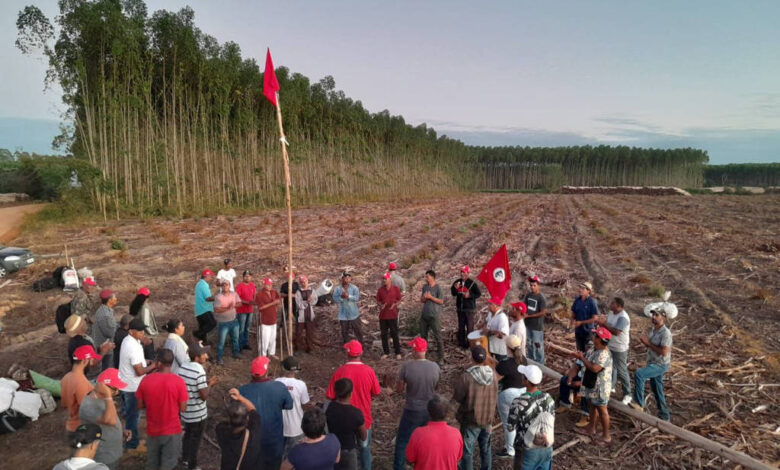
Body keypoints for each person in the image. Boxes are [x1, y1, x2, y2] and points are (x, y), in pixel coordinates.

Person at [326, 341, 381, 470]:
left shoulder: (340, 372)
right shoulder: (369, 371)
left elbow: (329, 395)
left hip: (342, 420)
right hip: (364, 419)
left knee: (343, 451)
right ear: (361, 353)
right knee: (364, 449)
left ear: (347, 354)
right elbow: (377, 392)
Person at [238, 356, 294, 470]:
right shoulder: (279, 387)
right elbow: (289, 405)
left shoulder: (242, 391)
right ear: (266, 371)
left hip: (251, 443)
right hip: (274, 442)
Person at [392, 337, 440, 470]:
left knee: (402, 440)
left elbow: (399, 389)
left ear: (414, 350)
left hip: (412, 409)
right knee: (426, 440)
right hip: (430, 410)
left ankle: (399, 466)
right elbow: (436, 388)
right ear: (425, 350)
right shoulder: (435, 367)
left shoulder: (407, 367)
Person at [137, 348, 189, 470]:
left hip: (153, 430)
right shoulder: (179, 382)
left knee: (152, 462)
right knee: (169, 464)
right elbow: (183, 408)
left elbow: (139, 406)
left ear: (158, 363)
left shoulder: (146, 380)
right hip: (172, 431)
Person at [453, 346, 497, 470]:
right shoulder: (493, 376)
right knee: (486, 448)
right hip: (488, 419)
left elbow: (457, 398)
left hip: (471, 420)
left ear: (472, 357)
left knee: (467, 451)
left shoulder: (466, 377)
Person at [118, 318, 158, 450]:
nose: (143, 334)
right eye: (140, 332)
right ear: (131, 331)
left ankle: (131, 441)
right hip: (132, 387)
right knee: (133, 418)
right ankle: (132, 444)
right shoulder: (132, 346)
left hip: (126, 382)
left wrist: (146, 361)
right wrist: (154, 366)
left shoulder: (128, 340)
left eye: (143, 331)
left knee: (130, 413)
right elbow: (140, 371)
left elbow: (137, 362)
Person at [506, 365, 555, 470]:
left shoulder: (518, 402)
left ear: (527, 381)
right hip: (546, 447)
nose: (521, 377)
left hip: (527, 449)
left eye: (523, 376)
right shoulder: (549, 399)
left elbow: (510, 427)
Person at [629, 304, 673, 421]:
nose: (653, 317)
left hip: (660, 364)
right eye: (653, 314)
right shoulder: (653, 330)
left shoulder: (666, 333)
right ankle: (664, 415)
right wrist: (644, 343)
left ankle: (639, 404)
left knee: (639, 374)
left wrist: (648, 343)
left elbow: (664, 352)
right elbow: (651, 346)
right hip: (652, 362)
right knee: (657, 388)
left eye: (656, 315)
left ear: (663, 317)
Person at [79, 368, 127, 470]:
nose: (117, 392)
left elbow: (111, 418)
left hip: (112, 450)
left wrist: (121, 430)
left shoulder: (102, 399)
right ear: (104, 387)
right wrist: (108, 396)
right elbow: (110, 421)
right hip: (104, 455)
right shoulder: (88, 406)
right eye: (115, 389)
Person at [178, 342, 216, 470]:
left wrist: (205, 383)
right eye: (203, 354)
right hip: (198, 414)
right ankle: (192, 466)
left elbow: (190, 385)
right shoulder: (199, 370)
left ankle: (184, 458)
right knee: (196, 440)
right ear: (196, 357)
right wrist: (210, 384)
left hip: (186, 411)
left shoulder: (183, 366)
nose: (206, 356)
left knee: (188, 435)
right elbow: (203, 396)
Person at [574, 327, 613, 445]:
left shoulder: (604, 354)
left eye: (596, 336)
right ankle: (591, 428)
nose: (593, 338)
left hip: (600, 387)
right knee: (592, 406)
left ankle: (606, 436)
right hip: (591, 384)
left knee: (602, 410)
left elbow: (595, 368)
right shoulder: (593, 349)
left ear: (601, 340)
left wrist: (582, 358)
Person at [405, 395, 463, 470]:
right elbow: (458, 457)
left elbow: (410, 459)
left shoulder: (418, 433)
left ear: (428, 412)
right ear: (446, 413)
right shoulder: (456, 434)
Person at [495, 335, 527, 459]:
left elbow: (496, 378)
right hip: (523, 392)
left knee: (509, 423)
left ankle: (510, 449)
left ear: (508, 348)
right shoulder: (523, 359)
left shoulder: (504, 364)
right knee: (520, 420)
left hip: (508, 394)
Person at [217, 388, 263, 470]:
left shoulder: (221, 432)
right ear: (247, 419)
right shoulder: (254, 435)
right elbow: (252, 409)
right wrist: (240, 397)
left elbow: (222, 422)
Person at [326, 378, 367, 470]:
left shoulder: (329, 407)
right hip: (348, 450)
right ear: (351, 394)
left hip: (332, 448)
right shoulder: (356, 413)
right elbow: (364, 436)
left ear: (335, 392)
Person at [597, 297, 632, 403]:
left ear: (619, 306)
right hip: (611, 345)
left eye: (613, 303)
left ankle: (628, 393)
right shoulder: (612, 313)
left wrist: (603, 325)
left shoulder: (623, 318)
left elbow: (616, 332)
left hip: (620, 347)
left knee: (621, 370)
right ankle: (612, 386)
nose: (610, 305)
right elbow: (607, 322)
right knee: (611, 367)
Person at [276, 357, 311, 456]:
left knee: (279, 458)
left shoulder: (276, 382)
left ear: (283, 368)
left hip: (279, 427)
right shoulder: (301, 384)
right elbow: (305, 404)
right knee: (295, 459)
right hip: (296, 427)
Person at [61, 345, 100, 431]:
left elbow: (64, 404)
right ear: (85, 361)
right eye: (92, 360)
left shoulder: (65, 378)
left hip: (71, 425)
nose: (93, 363)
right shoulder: (81, 383)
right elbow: (89, 410)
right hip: (83, 428)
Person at [451, 265, 481, 349]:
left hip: (469, 309)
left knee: (470, 327)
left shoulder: (472, 283)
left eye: (464, 272)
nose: (462, 273)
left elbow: (478, 294)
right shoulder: (457, 282)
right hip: (460, 309)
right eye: (461, 272)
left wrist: (470, 295)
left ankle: (470, 345)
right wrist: (455, 289)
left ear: (468, 273)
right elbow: (453, 293)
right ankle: (461, 344)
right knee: (461, 327)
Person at [214, 280, 242, 364]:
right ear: (221, 287)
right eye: (223, 285)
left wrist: (234, 305)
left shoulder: (234, 294)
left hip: (234, 320)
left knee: (235, 339)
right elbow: (216, 310)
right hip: (223, 323)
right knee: (221, 341)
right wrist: (228, 308)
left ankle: (235, 353)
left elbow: (240, 304)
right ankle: (219, 358)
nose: (225, 287)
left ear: (229, 286)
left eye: (226, 285)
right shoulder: (218, 297)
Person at [419, 270, 445, 364]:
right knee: (423, 336)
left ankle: (441, 357)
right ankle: (423, 356)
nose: (426, 278)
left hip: (434, 316)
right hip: (424, 315)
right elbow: (421, 300)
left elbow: (441, 301)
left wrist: (431, 297)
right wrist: (424, 298)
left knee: (438, 336)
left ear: (432, 277)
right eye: (425, 277)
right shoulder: (425, 287)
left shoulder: (438, 288)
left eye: (427, 277)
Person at [376, 272, 402, 359]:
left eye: (385, 279)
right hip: (383, 316)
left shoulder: (396, 289)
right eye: (383, 279)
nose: (384, 280)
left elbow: (399, 299)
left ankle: (398, 352)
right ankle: (386, 352)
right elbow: (378, 301)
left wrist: (394, 304)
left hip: (392, 315)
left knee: (394, 334)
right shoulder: (380, 290)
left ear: (389, 279)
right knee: (384, 335)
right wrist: (381, 305)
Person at [333, 272, 363, 345]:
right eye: (346, 278)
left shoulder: (354, 288)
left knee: (357, 329)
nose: (347, 279)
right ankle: (346, 345)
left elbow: (356, 298)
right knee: (344, 331)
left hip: (353, 313)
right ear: (342, 279)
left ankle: (360, 344)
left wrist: (348, 296)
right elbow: (335, 298)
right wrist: (341, 298)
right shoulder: (337, 289)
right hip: (343, 314)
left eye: (349, 278)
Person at [92, 290, 118, 371]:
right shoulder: (105, 315)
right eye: (115, 297)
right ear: (109, 300)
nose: (116, 299)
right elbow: (110, 333)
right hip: (105, 348)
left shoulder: (104, 310)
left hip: (103, 346)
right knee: (107, 371)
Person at [523, 276, 547, 364]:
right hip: (528, 324)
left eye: (534, 285)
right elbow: (524, 306)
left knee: (538, 344)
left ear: (538, 286)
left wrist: (529, 315)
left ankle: (540, 363)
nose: (532, 287)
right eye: (531, 285)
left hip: (537, 326)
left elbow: (543, 312)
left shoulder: (541, 298)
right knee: (529, 343)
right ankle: (531, 360)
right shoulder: (528, 295)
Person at [256, 277, 281, 357]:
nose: (270, 286)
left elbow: (279, 300)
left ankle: (271, 353)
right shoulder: (259, 295)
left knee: (272, 338)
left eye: (271, 284)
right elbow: (260, 307)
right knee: (264, 340)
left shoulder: (274, 292)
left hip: (273, 319)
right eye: (268, 285)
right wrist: (273, 303)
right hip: (264, 321)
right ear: (264, 285)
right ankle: (262, 355)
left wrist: (278, 302)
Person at [571, 281, 599, 352]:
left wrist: (581, 322)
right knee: (579, 349)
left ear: (588, 291)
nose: (580, 290)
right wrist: (572, 320)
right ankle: (580, 362)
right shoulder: (577, 300)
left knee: (588, 351)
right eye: (580, 288)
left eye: (583, 289)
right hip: (578, 330)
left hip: (588, 331)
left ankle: (586, 362)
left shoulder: (592, 302)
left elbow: (595, 318)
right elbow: (573, 312)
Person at [294, 275, 319, 353]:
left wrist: (311, 301)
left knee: (310, 333)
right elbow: (299, 305)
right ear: (300, 283)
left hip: (310, 315)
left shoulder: (312, 291)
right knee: (299, 332)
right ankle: (298, 348)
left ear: (307, 281)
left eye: (304, 281)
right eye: (301, 282)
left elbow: (315, 301)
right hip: (301, 316)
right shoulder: (298, 292)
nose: (303, 283)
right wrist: (307, 301)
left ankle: (310, 348)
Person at [235, 270, 257, 351]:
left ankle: (245, 343)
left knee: (247, 328)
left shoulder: (252, 285)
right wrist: (246, 302)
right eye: (246, 276)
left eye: (249, 276)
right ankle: (239, 345)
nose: (247, 277)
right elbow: (237, 297)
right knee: (241, 328)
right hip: (241, 310)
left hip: (250, 310)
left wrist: (254, 301)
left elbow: (255, 295)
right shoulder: (239, 286)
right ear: (243, 277)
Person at [194, 269, 217, 343]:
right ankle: (196, 334)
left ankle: (203, 342)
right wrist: (217, 298)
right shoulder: (203, 285)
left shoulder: (199, 284)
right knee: (212, 323)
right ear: (206, 276)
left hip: (199, 310)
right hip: (204, 309)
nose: (211, 278)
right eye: (210, 276)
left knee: (203, 327)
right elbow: (208, 298)